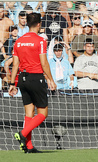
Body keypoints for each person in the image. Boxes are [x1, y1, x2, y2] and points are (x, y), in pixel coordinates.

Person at [9, 13, 57, 153]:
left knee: (29, 114)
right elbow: (44, 62)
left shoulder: (19, 41)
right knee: (43, 113)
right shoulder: (40, 40)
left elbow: (15, 65)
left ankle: (28, 147)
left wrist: (13, 83)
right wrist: (50, 79)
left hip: (22, 79)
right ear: (39, 24)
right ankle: (22, 134)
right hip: (36, 78)